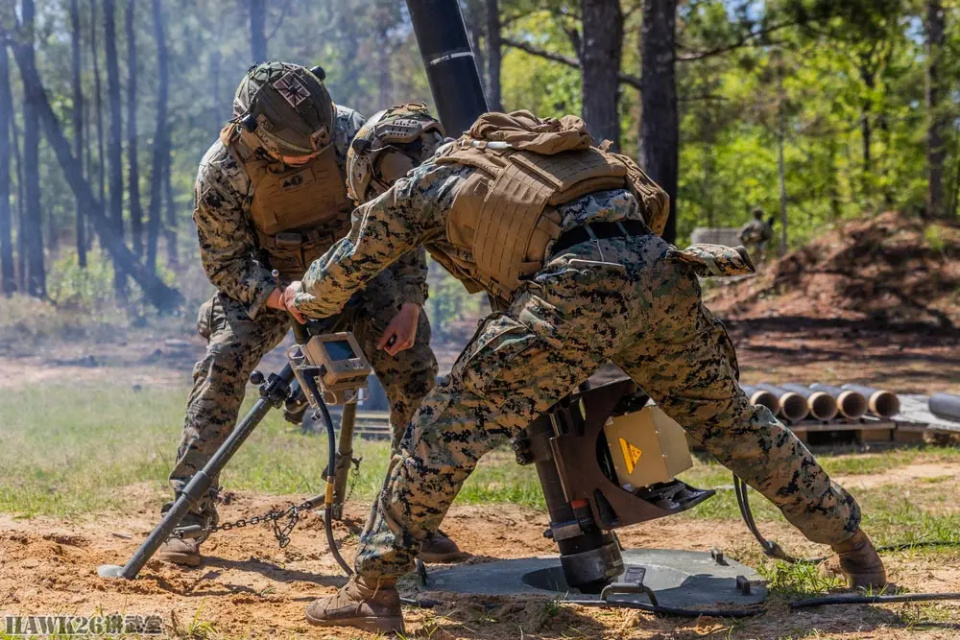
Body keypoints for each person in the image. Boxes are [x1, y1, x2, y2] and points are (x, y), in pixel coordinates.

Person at [285, 106, 886, 635]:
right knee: (731, 424)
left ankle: (372, 590)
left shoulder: (429, 180)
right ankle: (854, 548)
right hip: (662, 276)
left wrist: (301, 299)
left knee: (438, 432)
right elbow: (643, 207)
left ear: (383, 163)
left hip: (575, 287)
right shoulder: (530, 155)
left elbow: (353, 256)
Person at [157, 65, 465, 567]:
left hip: (358, 272)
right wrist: (280, 298)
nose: (313, 156)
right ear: (253, 132)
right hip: (271, 280)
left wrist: (410, 301)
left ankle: (410, 520)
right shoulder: (221, 171)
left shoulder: (349, 132)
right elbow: (224, 263)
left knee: (413, 369)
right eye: (299, 151)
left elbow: (397, 217)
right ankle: (187, 516)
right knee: (221, 364)